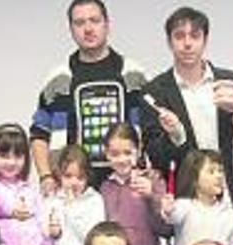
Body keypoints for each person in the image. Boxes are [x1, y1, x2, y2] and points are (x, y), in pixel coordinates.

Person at [142, 5, 233, 226]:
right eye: (179, 36)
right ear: (169, 42)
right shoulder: (155, 92)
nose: (187, 43)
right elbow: (156, 158)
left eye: (195, 35)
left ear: (205, 40)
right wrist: (176, 136)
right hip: (187, 202)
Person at [30, 0, 147, 192]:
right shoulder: (59, 79)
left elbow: (152, 131)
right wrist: (45, 176)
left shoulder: (133, 74)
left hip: (127, 187)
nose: (88, 28)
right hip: (72, 188)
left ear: (107, 25)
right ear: (71, 29)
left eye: (94, 20)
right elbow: (39, 134)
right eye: (80, 23)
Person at [99, 123, 172, 245]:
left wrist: (151, 196)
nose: (122, 159)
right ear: (106, 154)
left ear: (138, 151)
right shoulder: (105, 188)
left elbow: (165, 228)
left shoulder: (153, 179)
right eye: (115, 154)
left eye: (127, 153)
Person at [44, 144, 106, 245]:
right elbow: (44, 238)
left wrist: (72, 209)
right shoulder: (52, 200)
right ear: (59, 174)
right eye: (68, 176)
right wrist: (53, 233)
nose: (74, 182)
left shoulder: (94, 200)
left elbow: (93, 238)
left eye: (80, 177)